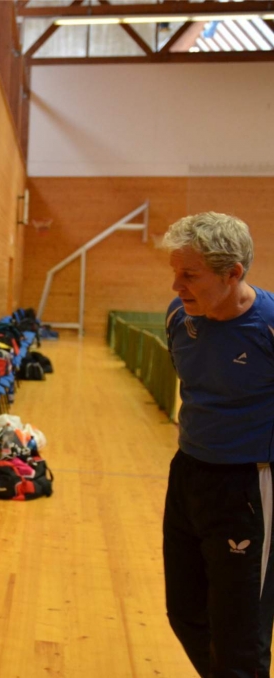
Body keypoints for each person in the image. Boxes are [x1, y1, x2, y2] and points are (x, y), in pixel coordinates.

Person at [161, 212, 274, 678]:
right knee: (186, 614)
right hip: (188, 475)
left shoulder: (268, 327)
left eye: (189, 275)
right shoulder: (178, 317)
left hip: (249, 486)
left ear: (233, 274)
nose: (176, 286)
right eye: (174, 272)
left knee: (239, 640)